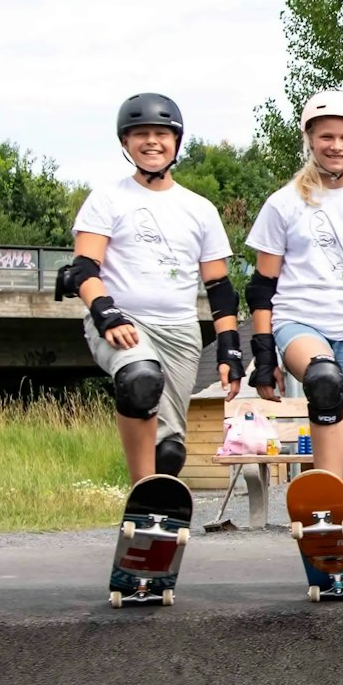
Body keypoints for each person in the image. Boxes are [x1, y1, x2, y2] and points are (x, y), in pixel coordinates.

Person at [63, 93, 240, 482]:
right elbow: (84, 269)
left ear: (176, 141)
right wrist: (106, 314)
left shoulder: (200, 209)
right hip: (121, 320)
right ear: (125, 143)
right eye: (140, 134)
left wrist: (229, 348)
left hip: (180, 332)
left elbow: (220, 287)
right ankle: (141, 491)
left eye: (161, 133)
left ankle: (157, 500)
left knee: (170, 451)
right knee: (139, 379)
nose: (151, 142)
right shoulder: (107, 198)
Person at [244, 90, 343, 486]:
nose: (336, 146)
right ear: (309, 139)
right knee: (323, 382)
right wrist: (265, 355)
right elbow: (263, 287)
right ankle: (325, 510)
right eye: (326, 137)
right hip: (300, 319)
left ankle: (338, 518)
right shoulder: (283, 203)